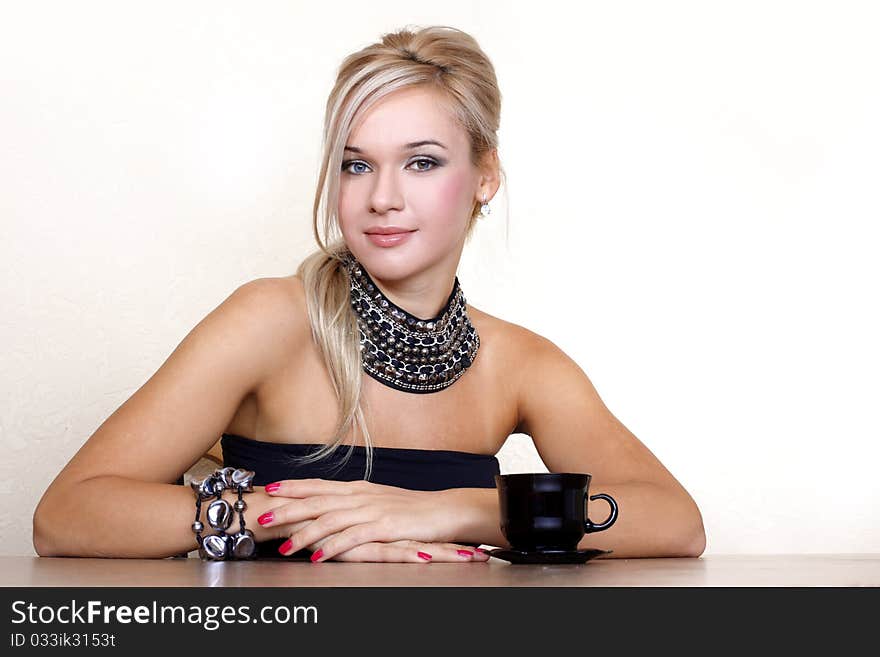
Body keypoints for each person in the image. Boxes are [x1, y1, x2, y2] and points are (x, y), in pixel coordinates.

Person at [33, 25, 705, 563]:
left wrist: (456, 508)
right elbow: (68, 514)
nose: (382, 198)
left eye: (422, 161)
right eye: (357, 164)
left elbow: (675, 521)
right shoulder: (269, 319)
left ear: (484, 176)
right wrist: (303, 515)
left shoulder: (521, 363)